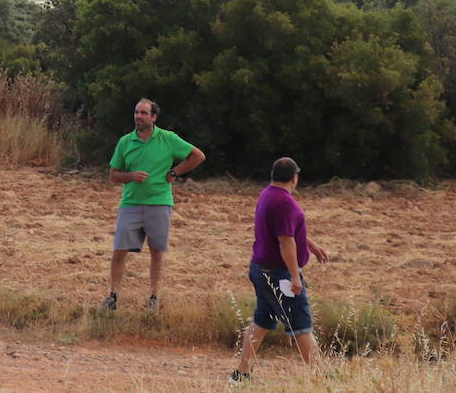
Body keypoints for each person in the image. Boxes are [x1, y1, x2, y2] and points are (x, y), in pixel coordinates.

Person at [230, 156, 330, 383]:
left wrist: (311, 246)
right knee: (302, 327)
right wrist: (295, 276)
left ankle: (241, 374)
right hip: (278, 274)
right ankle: (323, 380)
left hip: (261, 269)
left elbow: (290, 231)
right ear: (294, 178)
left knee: (262, 322)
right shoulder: (285, 202)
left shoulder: (268, 194)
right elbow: (286, 241)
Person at [102, 98, 205, 313]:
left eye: (143, 113)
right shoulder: (125, 142)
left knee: (156, 251)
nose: (138, 117)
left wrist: (175, 172)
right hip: (130, 203)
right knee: (119, 249)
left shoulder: (167, 138)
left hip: (159, 203)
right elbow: (113, 176)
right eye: (136, 112)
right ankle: (112, 296)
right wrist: (130, 176)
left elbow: (198, 156)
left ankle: (153, 297)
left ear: (154, 117)